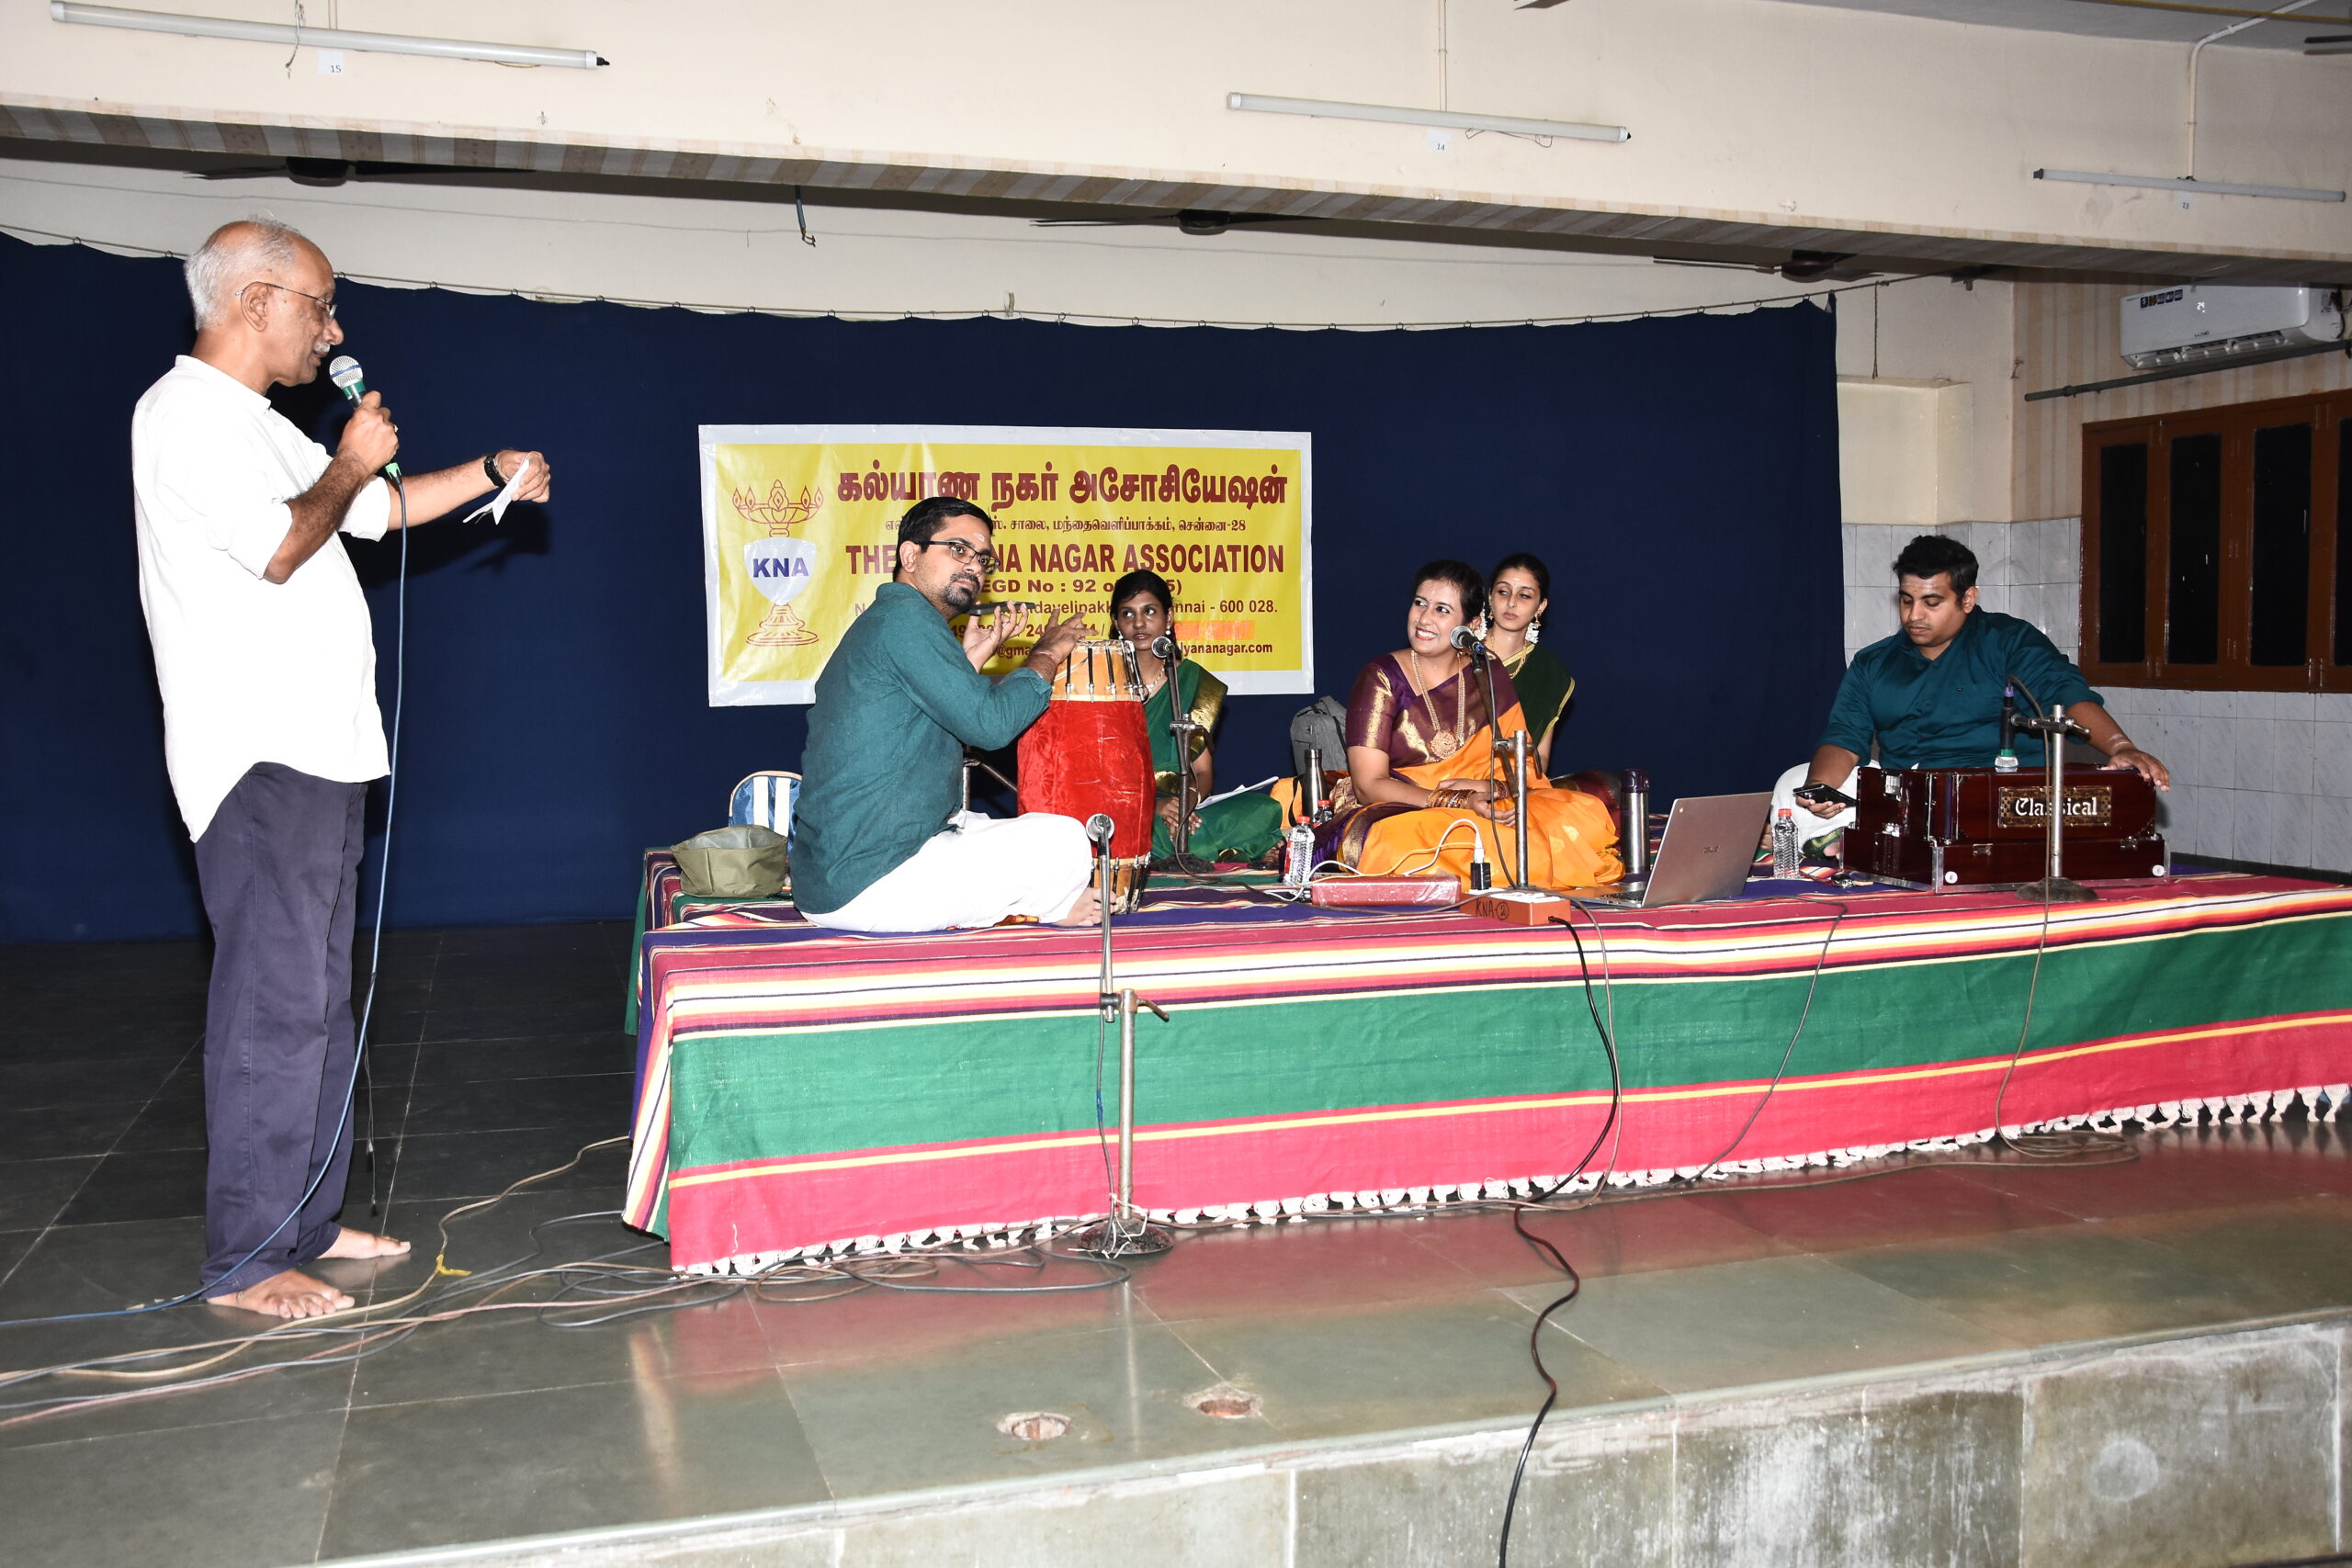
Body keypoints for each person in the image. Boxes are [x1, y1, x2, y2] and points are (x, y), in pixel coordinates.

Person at [132, 219, 552, 1319]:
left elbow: (376, 511)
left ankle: (304, 1224)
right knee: (274, 1008)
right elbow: (283, 546)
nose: (333, 329)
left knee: (318, 1003)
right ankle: (246, 1259)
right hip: (260, 755)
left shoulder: (264, 426)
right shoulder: (185, 414)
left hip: (319, 754)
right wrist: (351, 462)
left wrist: (490, 472)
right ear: (256, 299)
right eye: (319, 305)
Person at [795, 496, 1099, 932]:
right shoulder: (905, 621)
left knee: (1015, 829)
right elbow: (991, 726)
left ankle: (1029, 901)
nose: (974, 565)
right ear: (910, 555)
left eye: (982, 558)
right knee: (1064, 841)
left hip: (839, 874)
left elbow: (922, 724)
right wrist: (1046, 655)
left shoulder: (896, 620)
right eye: (958, 549)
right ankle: (1052, 908)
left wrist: (965, 667)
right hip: (873, 883)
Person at [1786, 534, 2170, 840]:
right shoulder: (1874, 662)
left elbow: (2066, 695)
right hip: (1906, 800)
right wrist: (1820, 788)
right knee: (1792, 784)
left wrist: (2121, 747)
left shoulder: (2009, 642)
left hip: (1998, 800)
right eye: (1906, 600)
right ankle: (1842, 845)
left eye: (1931, 602)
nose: (1914, 615)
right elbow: (1844, 736)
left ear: (1967, 599)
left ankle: (1842, 846)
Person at [1305, 560, 1622, 888]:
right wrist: (1456, 800)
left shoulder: (1487, 672)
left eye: (1442, 610)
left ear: (1470, 625)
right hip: (1403, 808)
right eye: (1420, 603)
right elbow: (1368, 785)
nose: (1424, 619)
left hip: (1480, 801)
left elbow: (1523, 769)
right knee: (1411, 842)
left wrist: (1486, 790)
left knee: (1576, 817)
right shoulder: (1381, 676)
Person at [1109, 570, 1286, 865]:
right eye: (1128, 614)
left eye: (1149, 611)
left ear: (1168, 617)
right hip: (1125, 807)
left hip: (1180, 805)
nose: (1139, 623)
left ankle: (1189, 846)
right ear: (1116, 623)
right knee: (1121, 827)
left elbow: (1203, 772)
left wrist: (1187, 802)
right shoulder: (1102, 685)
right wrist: (1153, 808)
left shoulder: (1192, 682)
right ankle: (1233, 851)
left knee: (1262, 808)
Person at [1480, 552, 1575, 778]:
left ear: (1540, 606)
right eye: (1503, 592)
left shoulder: (1550, 674)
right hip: (1447, 778)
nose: (1511, 602)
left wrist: (1500, 788)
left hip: (1513, 786)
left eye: (1524, 595)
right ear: (1490, 597)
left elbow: (1539, 759)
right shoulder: (1459, 653)